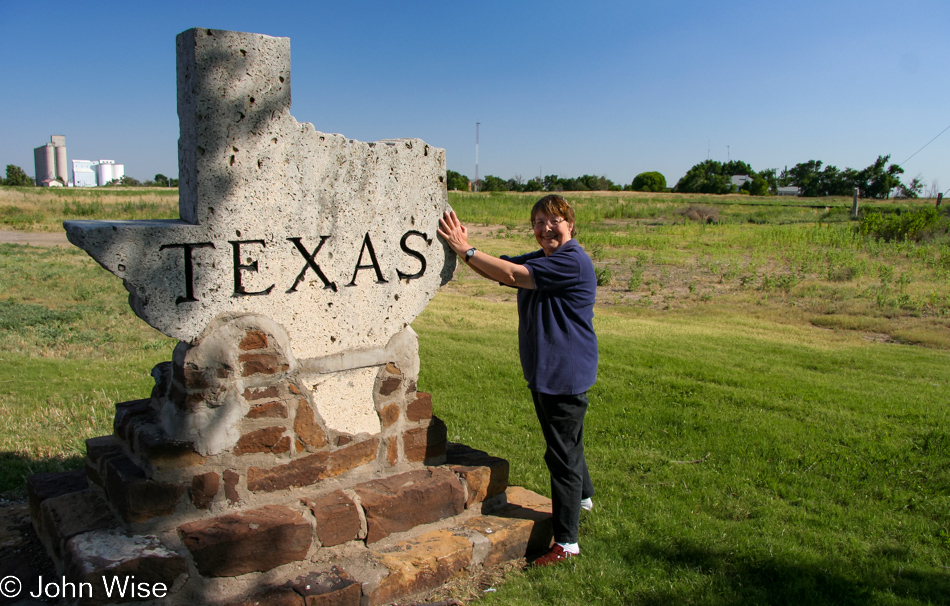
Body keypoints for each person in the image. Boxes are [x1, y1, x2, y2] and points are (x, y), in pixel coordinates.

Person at [437, 194, 598, 566]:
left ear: (570, 224)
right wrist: (466, 250)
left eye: (553, 221)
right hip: (548, 370)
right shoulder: (546, 258)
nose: (544, 229)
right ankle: (584, 497)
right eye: (538, 222)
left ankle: (567, 544)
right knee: (565, 442)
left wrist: (466, 248)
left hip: (564, 372)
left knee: (561, 455)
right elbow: (502, 268)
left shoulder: (571, 262)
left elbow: (510, 274)